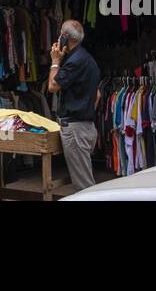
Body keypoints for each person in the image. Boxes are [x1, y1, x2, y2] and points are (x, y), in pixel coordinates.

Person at [48, 19, 101, 193]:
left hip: (76, 129)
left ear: (64, 37)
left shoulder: (75, 61)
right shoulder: (87, 59)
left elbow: (52, 86)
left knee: (84, 187)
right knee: (84, 179)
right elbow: (97, 95)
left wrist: (55, 61)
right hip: (86, 127)